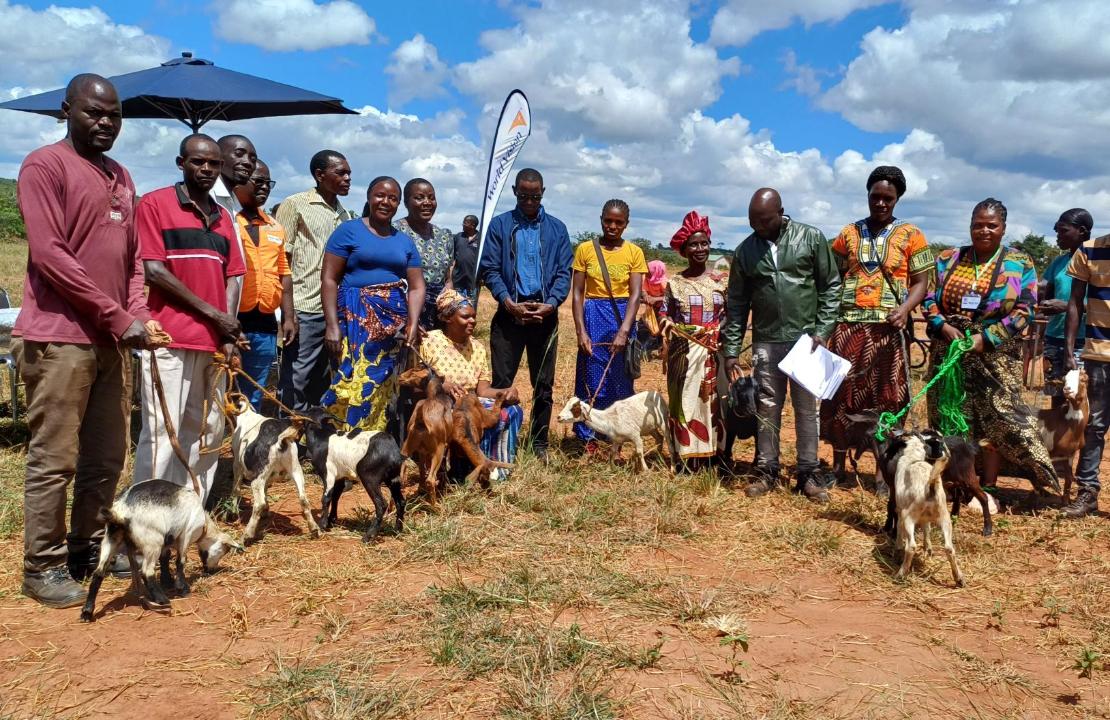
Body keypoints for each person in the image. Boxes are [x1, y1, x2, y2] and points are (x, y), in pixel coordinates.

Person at [12, 74, 158, 607]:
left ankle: (86, 549)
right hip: (59, 337)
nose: (106, 123)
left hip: (111, 342)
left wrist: (136, 314)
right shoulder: (44, 166)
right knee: (55, 459)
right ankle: (42, 566)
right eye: (94, 113)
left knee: (105, 456)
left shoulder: (120, 174)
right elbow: (51, 255)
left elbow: (135, 260)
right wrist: (116, 315)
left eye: (114, 115)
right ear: (66, 111)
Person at [134, 133, 246, 503]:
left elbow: (233, 276)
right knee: (162, 432)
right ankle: (145, 521)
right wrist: (216, 315)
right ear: (181, 163)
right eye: (199, 162)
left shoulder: (224, 217)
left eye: (214, 163)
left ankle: (189, 512)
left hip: (213, 343)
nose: (207, 169)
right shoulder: (154, 204)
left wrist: (227, 332)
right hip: (170, 337)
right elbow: (154, 270)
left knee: (209, 431)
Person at [923, 198, 1058, 493]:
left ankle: (989, 486)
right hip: (950, 350)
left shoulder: (1019, 263)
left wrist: (986, 338)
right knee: (950, 415)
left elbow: (1025, 310)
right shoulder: (948, 258)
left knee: (998, 420)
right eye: (977, 225)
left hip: (995, 354)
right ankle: (955, 480)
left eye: (991, 225)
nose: (984, 230)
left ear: (1003, 228)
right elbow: (929, 299)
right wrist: (942, 326)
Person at [721, 188, 841, 502]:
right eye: (752, 222)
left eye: (763, 220)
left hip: (806, 342)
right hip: (766, 340)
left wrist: (823, 330)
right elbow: (736, 304)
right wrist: (731, 350)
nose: (757, 227)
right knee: (767, 407)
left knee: (806, 408)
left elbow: (831, 286)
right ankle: (766, 470)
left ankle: (808, 473)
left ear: (781, 212)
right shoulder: (745, 251)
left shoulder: (811, 238)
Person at [820, 166, 933, 488]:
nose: (881, 203)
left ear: (897, 200)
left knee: (887, 400)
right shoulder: (848, 234)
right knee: (841, 396)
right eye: (876, 197)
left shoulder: (912, 235)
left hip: (888, 331)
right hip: (847, 328)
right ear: (867, 195)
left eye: (888, 198)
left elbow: (922, 282)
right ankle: (839, 466)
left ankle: (883, 473)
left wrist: (905, 309)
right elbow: (833, 277)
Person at [479, 168, 573, 459]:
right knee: (502, 383)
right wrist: (507, 302)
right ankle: (500, 441)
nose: (530, 200)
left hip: (545, 316)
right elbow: (490, 269)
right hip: (509, 316)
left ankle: (539, 443)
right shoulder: (500, 226)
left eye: (535, 195)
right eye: (524, 195)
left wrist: (553, 303)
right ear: (515, 193)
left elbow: (563, 271)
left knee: (543, 385)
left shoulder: (557, 229)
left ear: (543, 193)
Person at [321, 176, 425, 430]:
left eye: (393, 198)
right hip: (353, 322)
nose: (385, 201)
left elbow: (417, 285)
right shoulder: (349, 230)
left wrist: (412, 322)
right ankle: (338, 443)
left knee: (381, 383)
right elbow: (329, 279)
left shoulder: (403, 240)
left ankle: (370, 444)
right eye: (380, 195)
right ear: (368, 196)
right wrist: (332, 325)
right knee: (349, 380)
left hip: (390, 327)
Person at [276, 150, 356, 411]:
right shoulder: (296, 204)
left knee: (324, 377)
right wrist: (288, 312)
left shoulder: (345, 215)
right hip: (304, 304)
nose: (347, 178)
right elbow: (281, 259)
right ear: (320, 175)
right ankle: (289, 432)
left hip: (333, 309)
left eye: (349, 173)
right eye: (341, 172)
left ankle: (314, 436)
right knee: (296, 376)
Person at [421, 288, 524, 473]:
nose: (473, 321)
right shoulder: (430, 341)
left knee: (512, 411)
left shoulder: (477, 347)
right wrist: (441, 386)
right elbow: (417, 380)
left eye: (473, 316)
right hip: (442, 403)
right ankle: (456, 469)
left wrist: (504, 393)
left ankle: (496, 471)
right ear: (447, 318)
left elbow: (483, 390)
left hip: (470, 402)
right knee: (458, 415)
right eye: (465, 317)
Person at [570, 199, 646, 446]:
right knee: (591, 379)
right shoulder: (585, 250)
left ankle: (617, 437)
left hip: (623, 316)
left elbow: (635, 295)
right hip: (593, 316)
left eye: (618, 222)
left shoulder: (634, 253)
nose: (612, 226)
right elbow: (578, 293)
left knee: (620, 380)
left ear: (626, 224)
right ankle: (589, 438)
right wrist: (581, 331)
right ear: (601, 219)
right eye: (608, 221)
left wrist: (624, 330)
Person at [660, 211, 727, 470]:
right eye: (693, 244)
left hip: (713, 352)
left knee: (712, 403)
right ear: (684, 249)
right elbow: (665, 312)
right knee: (685, 402)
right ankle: (687, 460)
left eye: (704, 243)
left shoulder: (721, 280)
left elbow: (732, 315)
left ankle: (713, 458)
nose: (700, 249)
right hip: (683, 353)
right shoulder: (675, 283)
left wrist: (718, 332)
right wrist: (668, 323)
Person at [232, 160, 295, 411]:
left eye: (268, 183)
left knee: (254, 392)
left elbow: (284, 273)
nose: (264, 188)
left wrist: (289, 317)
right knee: (225, 386)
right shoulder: (228, 221)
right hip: (234, 320)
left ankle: (244, 445)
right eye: (258, 181)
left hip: (265, 323)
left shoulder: (275, 226)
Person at [1063, 224, 1109, 518]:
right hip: (1098, 354)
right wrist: (1069, 350)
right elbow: (1075, 302)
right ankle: (1087, 493)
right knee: (1094, 426)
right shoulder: (1089, 250)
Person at [1039, 209, 1092, 406]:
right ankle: (1060, 437)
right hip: (1054, 338)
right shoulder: (1059, 262)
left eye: (1063, 231)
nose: (1058, 237)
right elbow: (1045, 289)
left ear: (1082, 231)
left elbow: (1102, 306)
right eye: (1056, 232)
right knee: (1057, 397)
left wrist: (1065, 306)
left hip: (1083, 342)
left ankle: (1082, 438)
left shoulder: (1096, 262)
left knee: (1079, 399)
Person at [394, 178, 455, 330]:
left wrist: (447, 302)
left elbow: (447, 279)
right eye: (419, 198)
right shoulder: (394, 232)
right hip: (403, 311)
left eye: (431, 197)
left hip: (438, 314)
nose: (427, 202)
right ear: (406, 202)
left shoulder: (444, 236)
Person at [453, 214, 481, 302]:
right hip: (458, 279)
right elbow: (452, 257)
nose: (463, 224)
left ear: (473, 225)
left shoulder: (481, 238)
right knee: (457, 305)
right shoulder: (458, 237)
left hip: (473, 280)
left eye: (465, 223)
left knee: (471, 306)